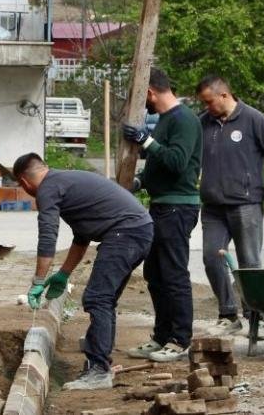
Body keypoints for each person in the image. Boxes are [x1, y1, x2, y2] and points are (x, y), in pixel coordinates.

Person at [15, 153, 153, 390]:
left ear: (25, 183)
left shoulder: (48, 189)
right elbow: (82, 237)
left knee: (97, 298)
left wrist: (38, 280)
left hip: (125, 233)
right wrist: (64, 274)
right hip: (138, 230)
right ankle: (99, 360)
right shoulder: (66, 182)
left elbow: (48, 236)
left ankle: (98, 370)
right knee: (104, 299)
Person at [195, 75, 264, 335]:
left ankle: (254, 315)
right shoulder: (203, 123)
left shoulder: (253, 119)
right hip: (213, 207)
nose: (206, 107)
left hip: (246, 205)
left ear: (224, 95)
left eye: (209, 101)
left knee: (249, 263)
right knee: (211, 258)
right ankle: (228, 314)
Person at [121, 68, 202, 362]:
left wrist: (146, 140)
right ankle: (161, 336)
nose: (142, 105)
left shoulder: (185, 120)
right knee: (154, 273)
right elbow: (159, 163)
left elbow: (178, 161)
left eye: (141, 97)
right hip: (161, 205)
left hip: (178, 207)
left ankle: (180, 340)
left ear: (151, 93)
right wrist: (140, 181)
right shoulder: (167, 120)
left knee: (174, 274)